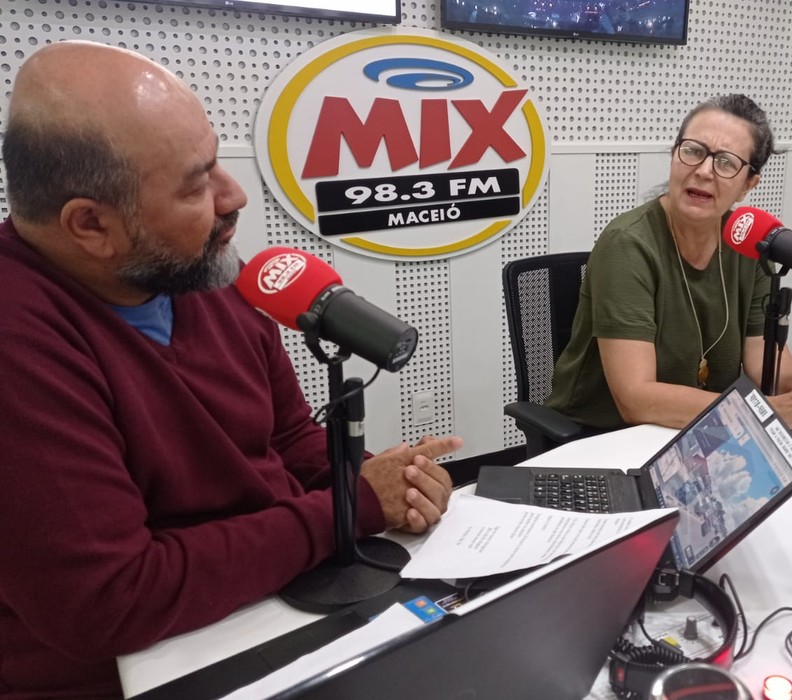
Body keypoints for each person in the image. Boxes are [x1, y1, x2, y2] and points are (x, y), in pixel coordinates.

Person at [0, 41, 461, 699]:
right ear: (91, 225)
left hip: (268, 602)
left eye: (217, 161)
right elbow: (110, 600)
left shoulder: (202, 275)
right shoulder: (19, 339)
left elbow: (289, 437)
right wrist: (353, 505)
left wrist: (390, 482)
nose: (233, 195)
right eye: (196, 184)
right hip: (135, 673)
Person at [545, 94, 792, 432]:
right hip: (602, 436)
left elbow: (767, 367)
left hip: (704, 428)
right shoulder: (628, 244)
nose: (702, 171)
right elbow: (636, 399)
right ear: (674, 156)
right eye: (693, 151)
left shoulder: (749, 243)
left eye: (726, 162)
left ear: (748, 185)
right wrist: (776, 409)